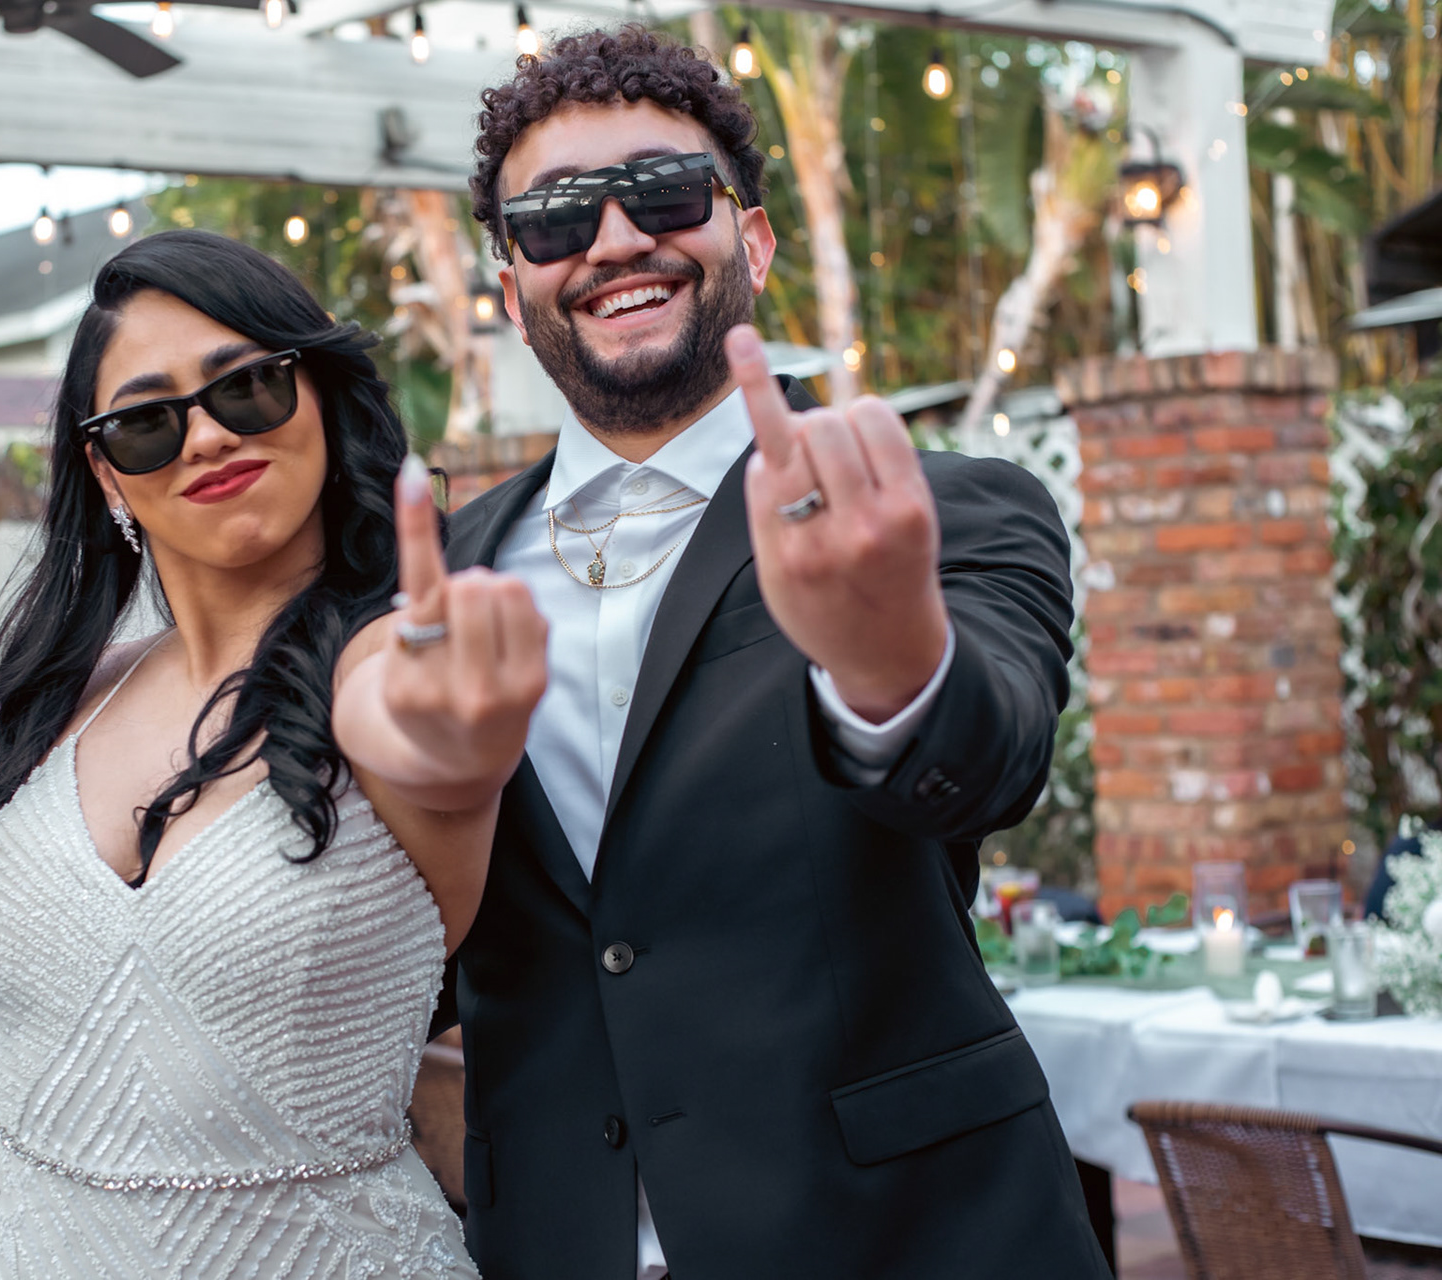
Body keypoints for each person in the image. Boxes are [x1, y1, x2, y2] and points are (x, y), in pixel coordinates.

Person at [440, 26, 1109, 1279]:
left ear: (750, 239)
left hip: (908, 1242)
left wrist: (889, 659)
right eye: (556, 218)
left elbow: (993, 758)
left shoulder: (938, 510)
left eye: (663, 192)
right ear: (512, 285)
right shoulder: (437, 577)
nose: (615, 241)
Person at [0, 229, 547, 1278]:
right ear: (105, 470)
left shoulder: (385, 672)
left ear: (321, 398)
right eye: (147, 421)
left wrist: (462, 729)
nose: (206, 436)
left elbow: (440, 748)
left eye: (248, 388)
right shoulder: (54, 701)